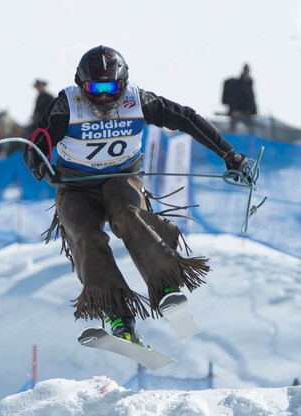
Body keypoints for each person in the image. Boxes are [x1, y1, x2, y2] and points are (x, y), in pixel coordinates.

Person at [24, 45, 254, 345]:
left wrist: (229, 154)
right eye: (96, 89)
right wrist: (43, 167)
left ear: (124, 83)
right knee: (84, 236)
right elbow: (35, 146)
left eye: (112, 88)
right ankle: (118, 315)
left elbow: (186, 118)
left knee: (128, 215)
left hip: (122, 179)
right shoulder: (68, 105)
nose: (105, 97)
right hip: (77, 187)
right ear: (82, 85)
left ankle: (167, 285)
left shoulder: (138, 101)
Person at [222, 64, 257, 133]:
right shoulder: (238, 86)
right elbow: (234, 99)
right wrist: (234, 110)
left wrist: (253, 111)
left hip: (248, 114)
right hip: (237, 113)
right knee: (233, 130)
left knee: (253, 129)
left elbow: (251, 101)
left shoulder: (249, 85)